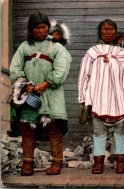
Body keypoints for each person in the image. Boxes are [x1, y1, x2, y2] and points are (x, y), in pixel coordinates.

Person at [9, 12, 72, 176]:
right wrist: (24, 83)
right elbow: (15, 67)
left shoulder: (56, 47)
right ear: (31, 29)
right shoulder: (24, 47)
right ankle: (28, 163)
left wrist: (47, 83)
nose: (40, 30)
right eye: (36, 27)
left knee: (54, 129)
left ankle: (57, 162)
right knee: (27, 129)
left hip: (51, 94)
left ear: (48, 28)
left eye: (44, 27)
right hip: (28, 95)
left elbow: (62, 67)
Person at [78, 19, 124, 174]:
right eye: (105, 29)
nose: (108, 32)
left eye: (111, 29)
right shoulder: (92, 52)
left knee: (121, 132)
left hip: (119, 100)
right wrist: (83, 98)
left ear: (116, 31)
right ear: (100, 32)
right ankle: (98, 163)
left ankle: (121, 162)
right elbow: (84, 75)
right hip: (98, 100)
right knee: (98, 133)